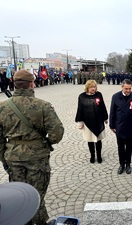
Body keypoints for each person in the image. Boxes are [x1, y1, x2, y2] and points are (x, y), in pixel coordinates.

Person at [0, 69, 64, 225]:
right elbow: (57, 133)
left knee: (20, 197)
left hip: (13, 158)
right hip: (37, 159)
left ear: (14, 84)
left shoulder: (2, 107)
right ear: (31, 85)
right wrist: (46, 144)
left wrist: (4, 159)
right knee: (37, 195)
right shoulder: (42, 106)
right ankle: (41, 222)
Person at [109, 79, 132, 174]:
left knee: (129, 146)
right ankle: (121, 164)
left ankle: (128, 164)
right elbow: (112, 112)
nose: (128, 91)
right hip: (119, 126)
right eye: (126, 88)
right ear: (122, 87)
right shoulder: (115, 97)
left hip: (130, 126)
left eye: (129, 89)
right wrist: (112, 125)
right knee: (120, 146)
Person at [75, 80, 108, 163]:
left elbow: (102, 106)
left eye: (94, 87)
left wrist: (105, 118)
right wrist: (80, 122)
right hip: (87, 122)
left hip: (98, 121)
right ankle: (92, 156)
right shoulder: (82, 96)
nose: (93, 88)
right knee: (90, 140)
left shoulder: (99, 94)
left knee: (98, 139)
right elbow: (80, 109)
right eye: (91, 87)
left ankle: (99, 155)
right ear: (87, 88)